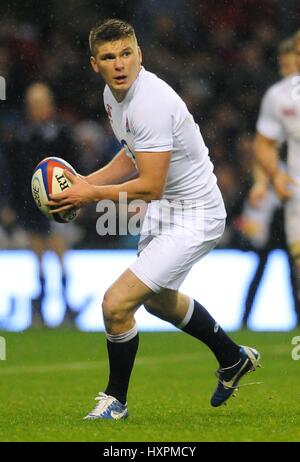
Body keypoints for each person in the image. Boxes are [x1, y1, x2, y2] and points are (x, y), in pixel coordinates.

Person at [48, 19, 261, 419]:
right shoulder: (113, 98)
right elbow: (132, 154)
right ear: (95, 64)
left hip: (195, 213)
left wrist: (89, 194)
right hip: (169, 210)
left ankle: (116, 401)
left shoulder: (150, 101)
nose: (120, 64)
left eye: (127, 53)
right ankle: (233, 358)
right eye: (109, 57)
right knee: (159, 303)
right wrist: (83, 181)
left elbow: (150, 185)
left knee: (116, 304)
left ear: (139, 54)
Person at [6, 83, 81, 326]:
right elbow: (10, 172)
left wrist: (80, 197)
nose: (36, 108)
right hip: (28, 203)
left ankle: (66, 305)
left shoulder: (62, 132)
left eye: (40, 103)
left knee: (59, 251)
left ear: (49, 105)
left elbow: (76, 165)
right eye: (32, 104)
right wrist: (7, 204)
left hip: (61, 203)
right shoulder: (19, 134)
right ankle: (40, 304)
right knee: (37, 252)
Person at [240, 37, 300, 328]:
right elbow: (263, 147)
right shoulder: (278, 101)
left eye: (292, 64)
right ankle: (246, 319)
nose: (288, 70)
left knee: (288, 264)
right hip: (281, 196)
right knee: (266, 261)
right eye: (284, 65)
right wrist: (261, 183)